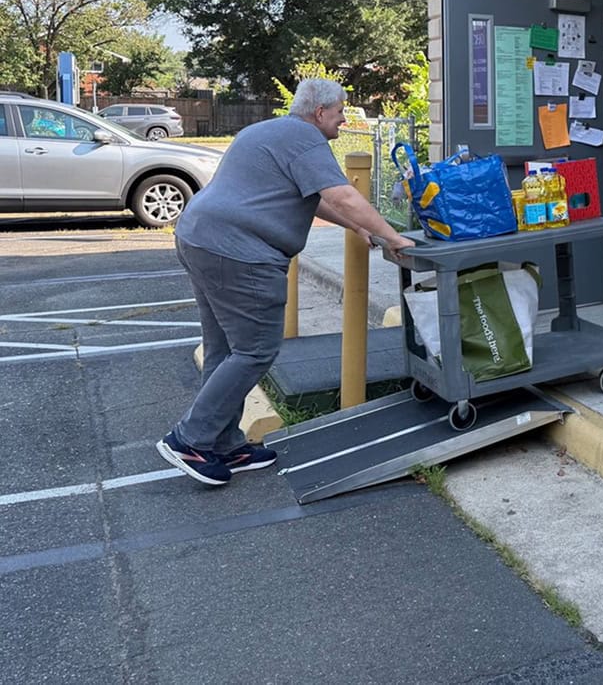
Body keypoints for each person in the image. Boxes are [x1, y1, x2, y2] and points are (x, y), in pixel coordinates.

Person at [156, 78, 415, 487]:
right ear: (320, 112)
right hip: (240, 252)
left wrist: (360, 228)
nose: (344, 120)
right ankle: (190, 439)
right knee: (255, 349)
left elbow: (317, 200)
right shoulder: (305, 139)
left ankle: (224, 443)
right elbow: (343, 196)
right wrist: (395, 237)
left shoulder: (267, 131)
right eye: (340, 112)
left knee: (225, 349)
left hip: (200, 238)